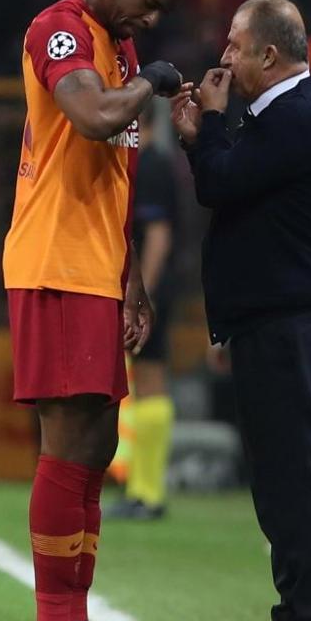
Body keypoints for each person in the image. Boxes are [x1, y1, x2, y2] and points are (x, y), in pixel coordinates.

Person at [2, 0, 198, 621]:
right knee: (67, 443)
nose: (152, 18)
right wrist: (153, 85)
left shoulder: (121, 49)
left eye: (163, 11)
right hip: (54, 260)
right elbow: (93, 118)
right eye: (149, 0)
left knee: (98, 445)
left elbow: (114, 178)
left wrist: (131, 279)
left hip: (95, 266)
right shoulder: (60, 30)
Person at [172, 0, 311, 621]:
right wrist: (207, 134)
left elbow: (220, 184)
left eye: (234, 45)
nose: (223, 56)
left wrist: (207, 128)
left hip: (295, 328)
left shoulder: (298, 116)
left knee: (299, 492)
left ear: (268, 54)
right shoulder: (280, 115)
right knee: (280, 496)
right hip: (277, 328)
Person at [107, 104, 178, 520]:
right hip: (148, 290)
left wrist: (142, 295)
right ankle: (141, 488)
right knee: (145, 380)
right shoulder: (149, 162)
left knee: (151, 379)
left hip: (149, 292)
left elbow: (158, 234)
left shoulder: (150, 166)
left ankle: (148, 492)